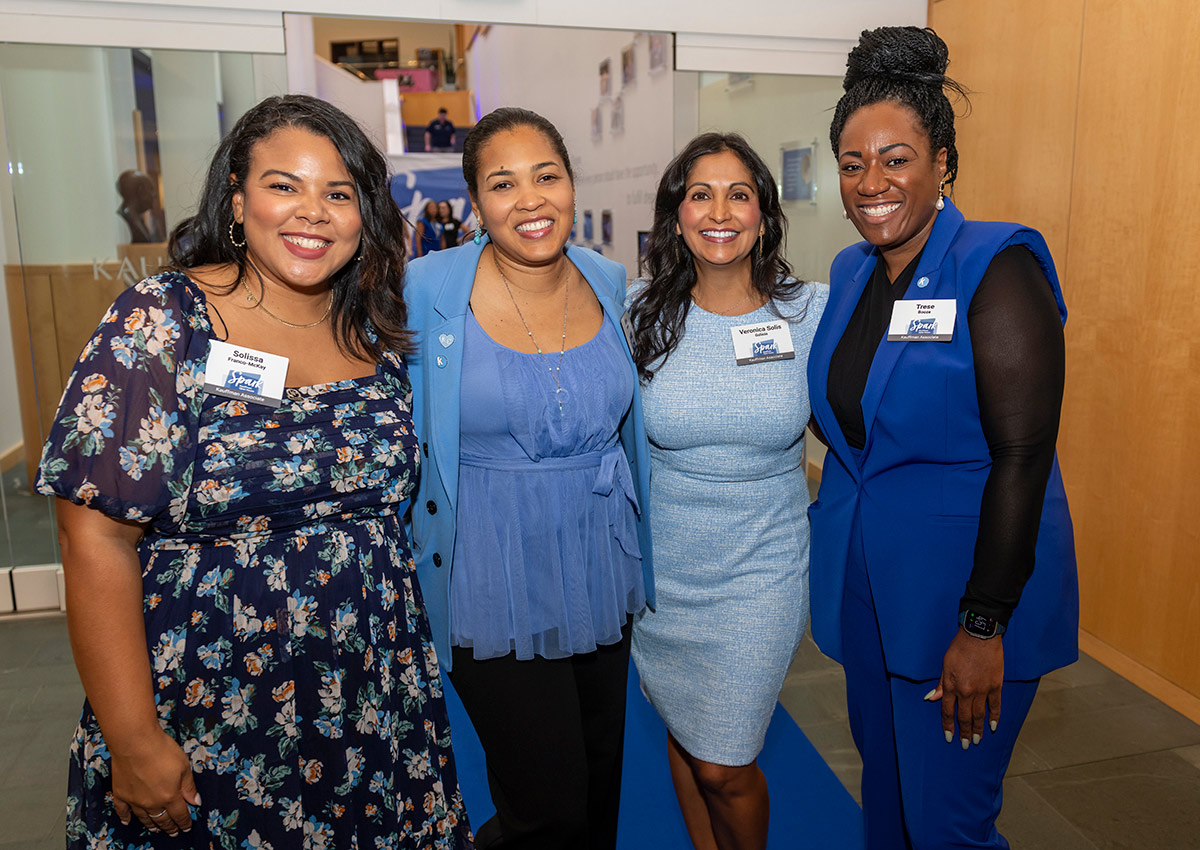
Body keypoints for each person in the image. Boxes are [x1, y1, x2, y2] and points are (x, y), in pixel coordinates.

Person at [37, 94, 473, 849]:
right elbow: (92, 541)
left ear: (365, 214)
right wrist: (134, 740)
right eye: (284, 186)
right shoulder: (163, 319)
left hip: (374, 697)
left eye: (338, 193)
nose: (313, 212)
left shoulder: (372, 330)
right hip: (212, 704)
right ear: (237, 200)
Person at [807, 26, 1078, 850]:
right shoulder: (855, 271)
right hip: (871, 594)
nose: (872, 182)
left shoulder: (996, 265)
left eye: (897, 158)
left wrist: (983, 625)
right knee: (888, 813)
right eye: (853, 164)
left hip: (963, 603)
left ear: (944, 163)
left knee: (948, 829)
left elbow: (1024, 458)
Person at [404, 106, 654, 850]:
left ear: (572, 185)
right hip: (490, 576)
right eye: (503, 183)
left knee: (599, 781)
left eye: (547, 175)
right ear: (476, 203)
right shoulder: (425, 289)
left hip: (600, 564)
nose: (530, 198)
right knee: (546, 807)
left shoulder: (613, 284)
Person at [624, 133, 826, 850]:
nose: (719, 211)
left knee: (724, 761)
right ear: (675, 215)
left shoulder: (811, 315)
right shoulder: (636, 313)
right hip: (665, 575)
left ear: (764, 215)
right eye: (699, 194)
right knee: (686, 730)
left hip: (761, 569)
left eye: (738, 194)